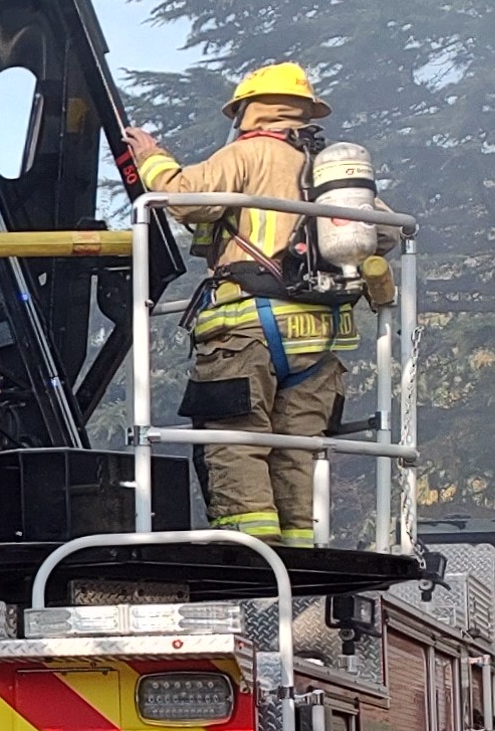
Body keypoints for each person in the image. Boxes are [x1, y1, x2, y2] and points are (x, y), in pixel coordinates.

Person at [124, 63, 390, 548]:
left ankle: (249, 551)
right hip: (319, 343)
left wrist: (152, 158)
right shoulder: (332, 170)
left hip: (247, 331)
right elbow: (386, 231)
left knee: (235, 443)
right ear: (304, 111)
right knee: (297, 452)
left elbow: (182, 198)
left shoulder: (248, 153)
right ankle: (297, 551)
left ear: (248, 110)